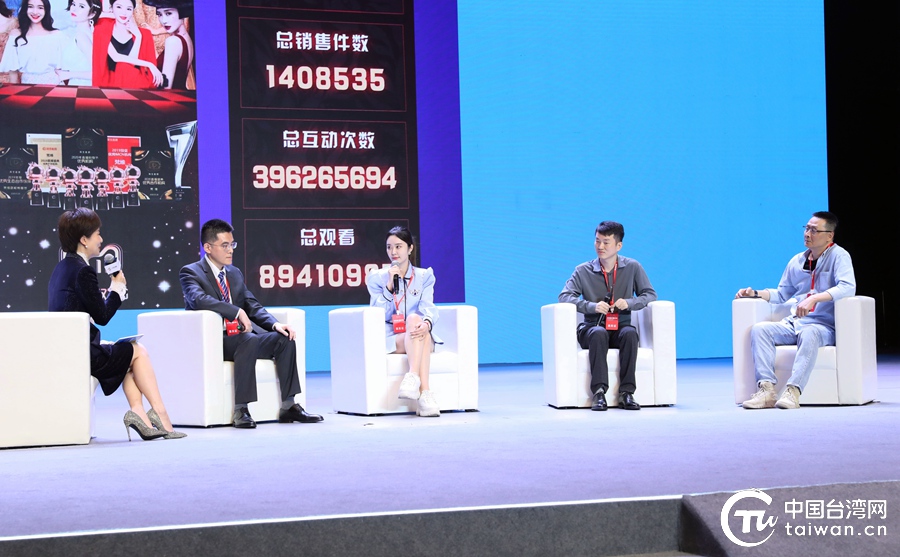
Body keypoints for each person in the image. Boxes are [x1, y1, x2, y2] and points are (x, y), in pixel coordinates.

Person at [48, 208, 185, 441]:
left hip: (70, 349)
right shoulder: (83, 271)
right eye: (97, 234)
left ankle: (140, 414)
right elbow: (102, 316)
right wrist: (117, 288)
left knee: (129, 358)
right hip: (82, 354)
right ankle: (160, 415)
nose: (101, 239)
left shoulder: (61, 268)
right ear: (84, 240)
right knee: (139, 351)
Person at [180, 219, 323, 428]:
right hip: (216, 341)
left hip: (244, 338)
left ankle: (289, 405)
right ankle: (241, 410)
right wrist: (235, 311)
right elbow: (198, 300)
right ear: (208, 248)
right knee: (248, 339)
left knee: (284, 339)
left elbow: (251, 304)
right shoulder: (191, 272)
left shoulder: (234, 273)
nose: (230, 250)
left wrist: (275, 325)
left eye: (232, 244)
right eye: (225, 245)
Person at [736, 211, 856, 410]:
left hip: (823, 326)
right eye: (806, 228)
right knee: (760, 330)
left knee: (810, 332)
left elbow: (848, 287)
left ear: (829, 235)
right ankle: (766, 391)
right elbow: (782, 294)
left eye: (814, 230)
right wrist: (754, 293)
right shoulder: (797, 261)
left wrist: (814, 298)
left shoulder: (839, 256)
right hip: (795, 323)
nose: (807, 234)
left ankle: (793, 391)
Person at [559, 221, 657, 411]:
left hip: (620, 327)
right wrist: (592, 306)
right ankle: (599, 393)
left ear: (618, 245)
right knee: (598, 333)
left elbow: (650, 294)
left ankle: (627, 393)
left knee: (630, 334)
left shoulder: (633, 267)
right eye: (597, 241)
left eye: (606, 242)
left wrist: (629, 303)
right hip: (592, 328)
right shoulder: (583, 270)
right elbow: (564, 296)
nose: (600, 247)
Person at [365, 226, 442, 417]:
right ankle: (425, 394)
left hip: (419, 330)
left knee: (415, 320)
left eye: (398, 246)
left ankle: (412, 376)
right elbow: (377, 313)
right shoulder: (377, 278)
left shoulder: (424, 276)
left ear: (410, 248)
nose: (393, 252)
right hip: (394, 336)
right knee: (419, 335)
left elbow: (428, 307)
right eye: (389, 247)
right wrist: (389, 286)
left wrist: (426, 324)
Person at [91, 0, 162, 88]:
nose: (124, 12)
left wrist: (138, 36)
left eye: (128, 9)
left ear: (133, 11)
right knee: (122, 66)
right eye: (119, 7)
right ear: (111, 8)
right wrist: (149, 64)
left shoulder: (144, 34)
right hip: (111, 83)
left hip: (136, 82)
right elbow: (116, 57)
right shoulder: (101, 30)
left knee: (124, 67)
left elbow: (131, 65)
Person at [0, 0, 69, 85]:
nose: (35, 12)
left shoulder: (57, 35)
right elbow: (13, 72)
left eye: (40, 8)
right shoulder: (16, 35)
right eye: (30, 7)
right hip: (26, 86)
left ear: (46, 10)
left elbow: (64, 70)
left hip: (54, 85)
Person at [143, 0, 193, 89]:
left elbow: (166, 88)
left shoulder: (173, 42)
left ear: (182, 12)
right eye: (159, 14)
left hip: (169, 96)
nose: (164, 21)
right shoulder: (187, 38)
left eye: (168, 13)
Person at [57, 0, 102, 85]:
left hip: (82, 87)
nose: (74, 9)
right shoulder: (87, 33)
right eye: (73, 4)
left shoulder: (81, 36)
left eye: (81, 6)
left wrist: (68, 74)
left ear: (92, 14)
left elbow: (98, 73)